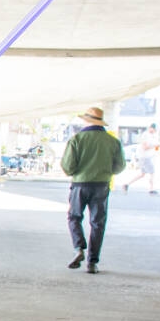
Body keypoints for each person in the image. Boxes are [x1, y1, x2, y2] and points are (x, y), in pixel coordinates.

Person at [61, 107, 126, 274]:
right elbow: (120, 166)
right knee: (98, 223)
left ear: (87, 121)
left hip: (80, 184)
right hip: (102, 185)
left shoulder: (77, 139)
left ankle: (79, 248)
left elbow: (68, 167)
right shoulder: (112, 141)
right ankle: (92, 262)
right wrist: (104, 170)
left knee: (74, 217)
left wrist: (80, 170)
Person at [123, 122, 160, 194]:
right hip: (145, 157)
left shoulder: (153, 136)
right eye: (153, 129)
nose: (154, 131)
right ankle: (151, 189)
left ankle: (127, 184)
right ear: (150, 128)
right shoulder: (146, 135)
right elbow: (145, 147)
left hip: (147, 157)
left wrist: (156, 147)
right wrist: (155, 145)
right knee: (152, 172)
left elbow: (155, 148)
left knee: (142, 174)